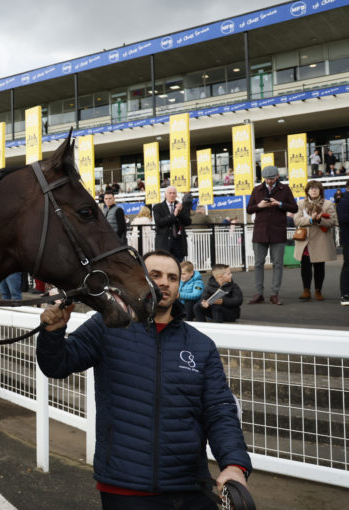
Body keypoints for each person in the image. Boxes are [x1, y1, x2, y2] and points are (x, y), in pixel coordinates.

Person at [36, 250, 251, 509]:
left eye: (172, 277)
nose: (164, 282)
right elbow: (57, 364)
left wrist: (234, 465)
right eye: (155, 275)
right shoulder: (107, 327)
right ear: (139, 279)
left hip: (191, 489)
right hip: (124, 488)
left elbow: (220, 411)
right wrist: (53, 332)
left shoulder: (201, 345)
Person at [246, 166, 298, 305]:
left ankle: (274, 294)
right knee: (258, 264)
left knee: (278, 264)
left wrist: (279, 203)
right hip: (260, 232)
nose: (268, 181)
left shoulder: (285, 189)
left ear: (277, 177)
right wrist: (260, 206)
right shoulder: (257, 189)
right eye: (266, 179)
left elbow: (294, 207)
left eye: (271, 179)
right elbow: (249, 209)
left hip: (278, 231)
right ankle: (259, 294)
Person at [293, 180, 337, 301]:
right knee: (305, 266)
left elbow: (333, 222)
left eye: (316, 188)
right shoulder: (300, 203)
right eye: (311, 188)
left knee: (319, 266)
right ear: (307, 191)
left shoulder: (327, 204)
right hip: (305, 240)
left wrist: (319, 221)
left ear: (320, 191)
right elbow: (297, 221)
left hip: (320, 240)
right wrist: (311, 220)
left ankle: (318, 290)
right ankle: (306, 290)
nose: (314, 190)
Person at [152, 186, 192, 261]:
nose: (172, 195)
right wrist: (174, 215)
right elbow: (160, 222)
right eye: (170, 193)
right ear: (165, 195)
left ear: (176, 195)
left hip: (178, 243)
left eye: (174, 193)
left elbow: (188, 222)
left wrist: (179, 213)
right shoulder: (158, 207)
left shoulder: (181, 206)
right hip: (164, 244)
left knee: (179, 266)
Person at [338, 181, 349, 306]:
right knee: (348, 266)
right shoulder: (343, 201)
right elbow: (342, 219)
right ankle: (345, 294)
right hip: (348, 239)